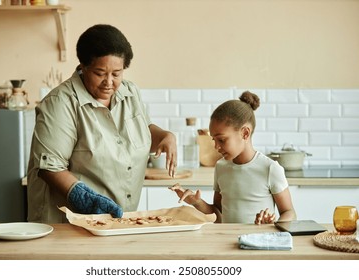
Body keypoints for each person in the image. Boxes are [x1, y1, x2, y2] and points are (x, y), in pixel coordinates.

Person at [27, 24, 177, 223]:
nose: (109, 82)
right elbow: (49, 168)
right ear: (84, 66)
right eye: (100, 73)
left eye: (116, 74)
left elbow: (144, 129)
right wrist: (84, 198)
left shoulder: (130, 92)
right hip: (69, 223)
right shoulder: (60, 103)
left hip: (116, 222)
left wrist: (166, 136)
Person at [170, 91, 296, 224]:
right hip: (226, 242)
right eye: (214, 140)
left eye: (222, 140)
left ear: (245, 133)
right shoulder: (221, 167)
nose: (216, 147)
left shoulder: (270, 168)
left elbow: (290, 213)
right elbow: (218, 214)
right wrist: (197, 202)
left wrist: (273, 225)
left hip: (260, 243)